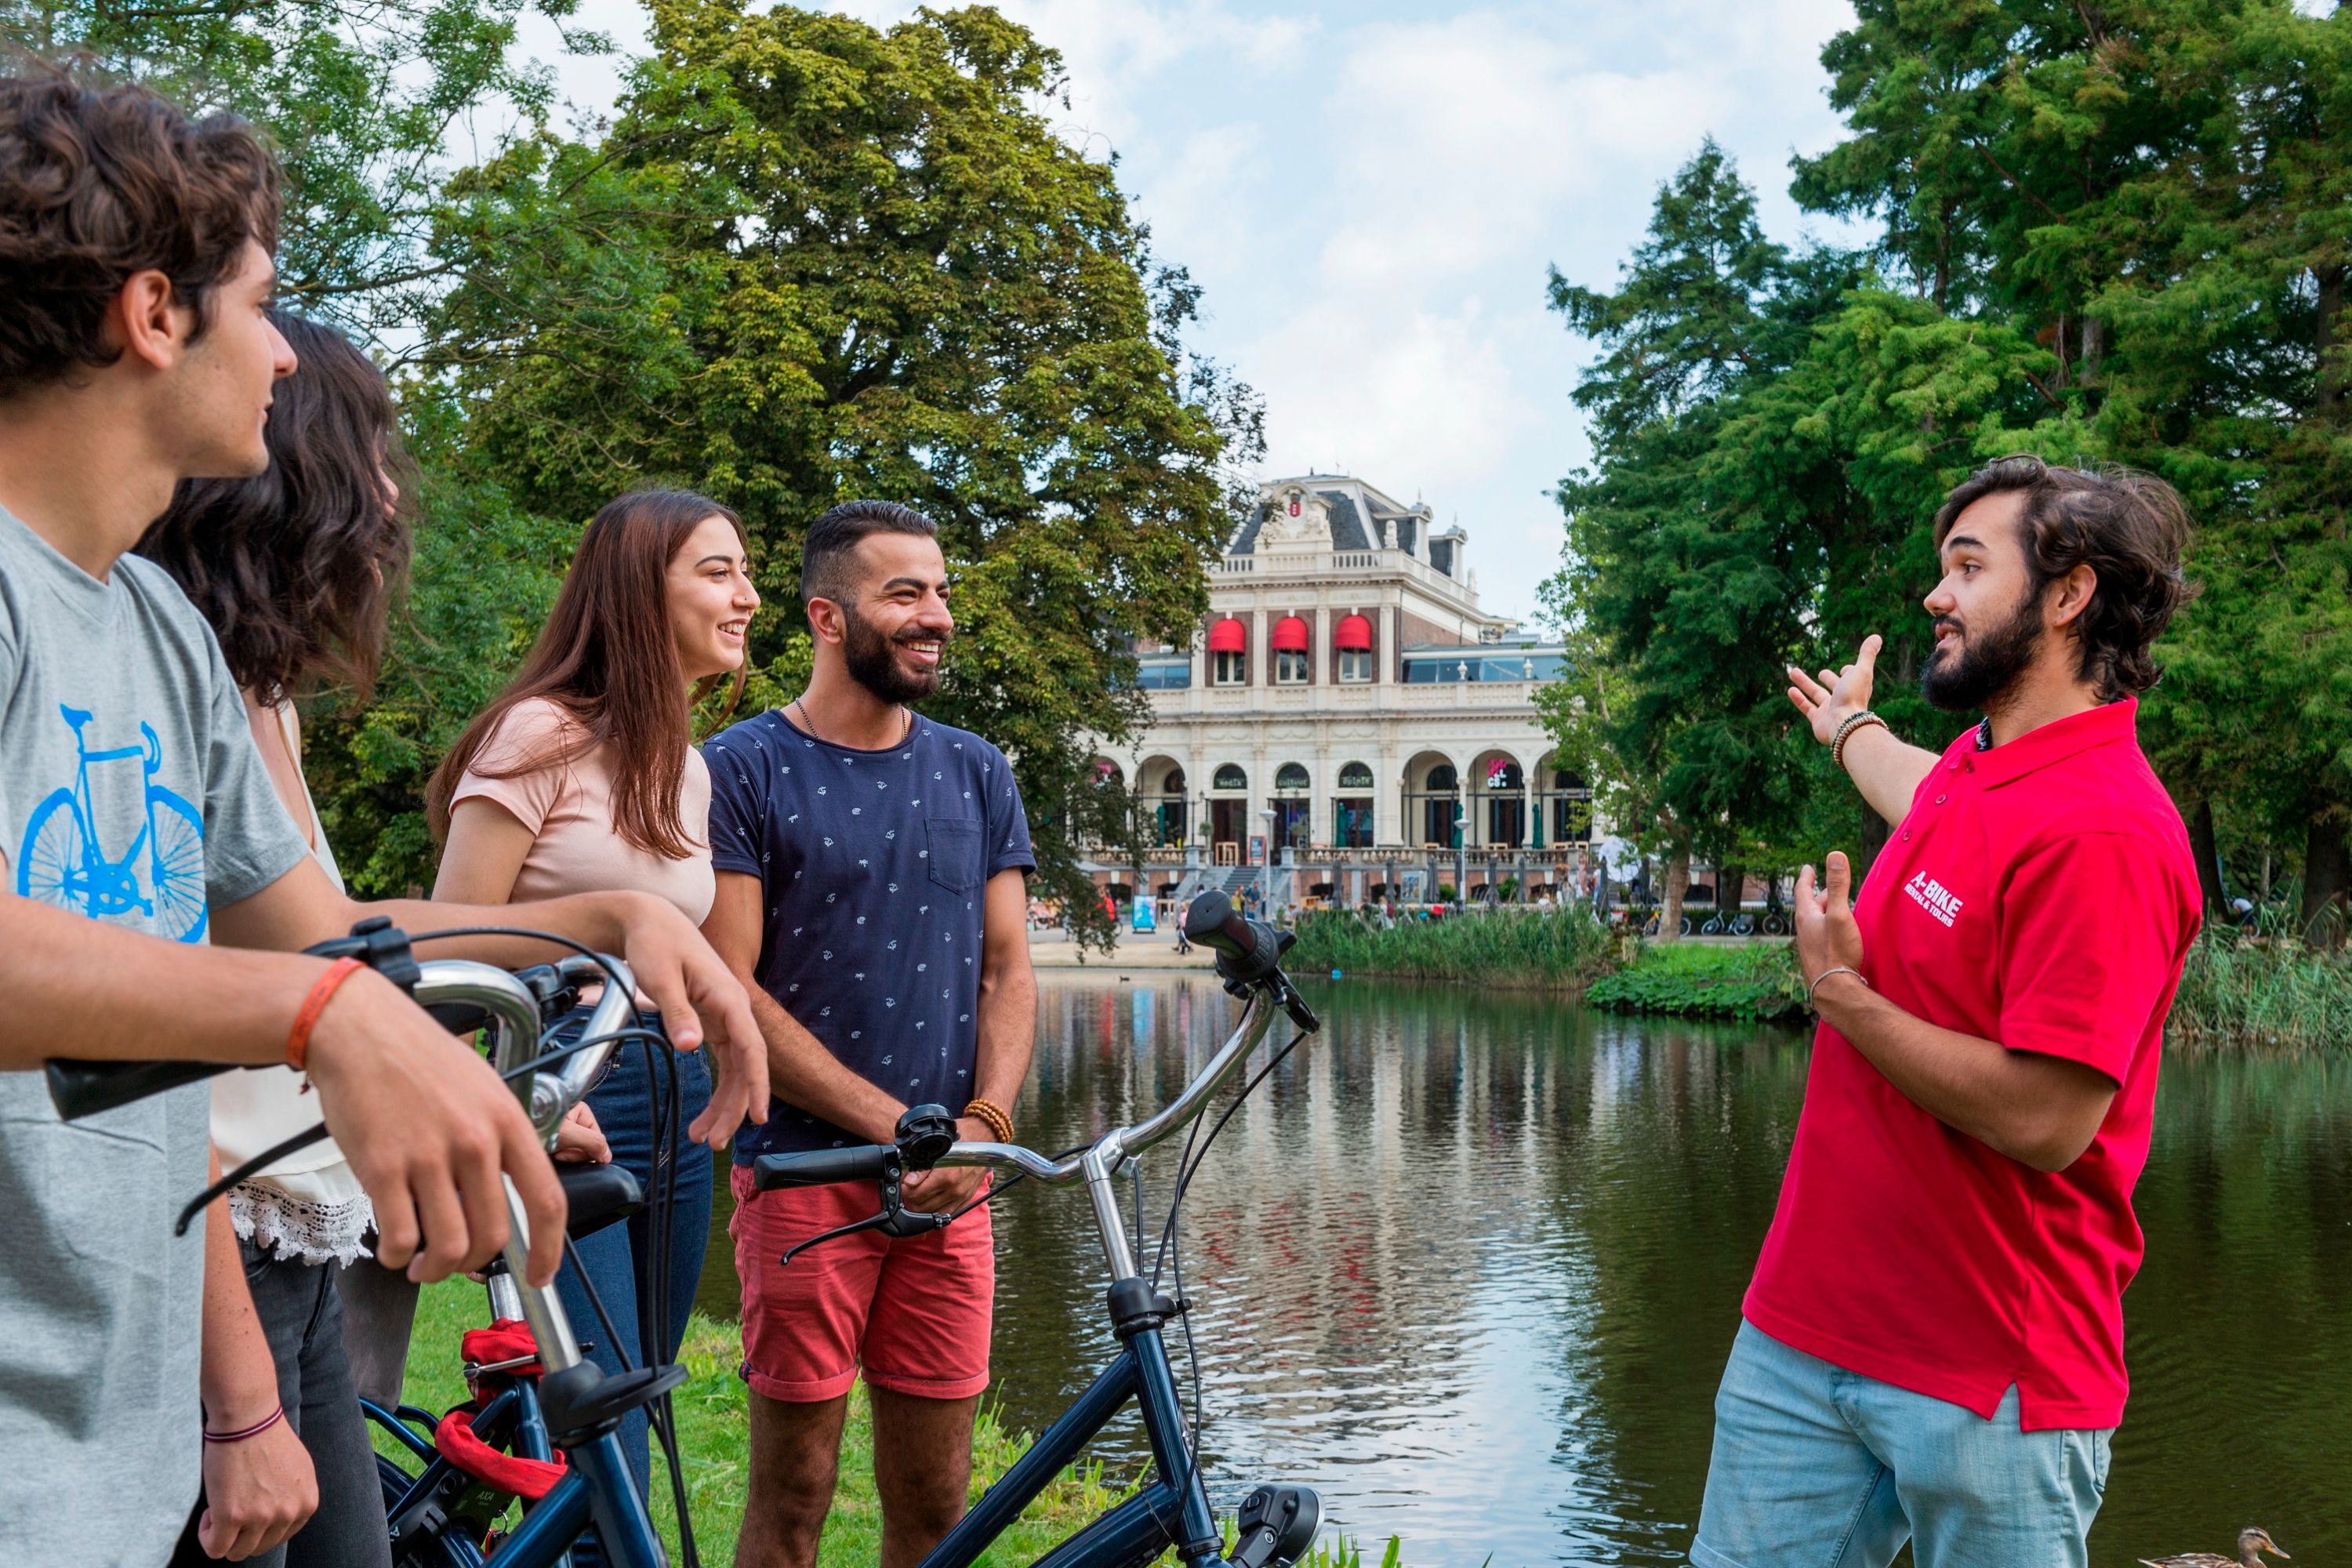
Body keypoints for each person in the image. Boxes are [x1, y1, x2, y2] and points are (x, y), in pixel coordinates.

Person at [0, 74, 767, 1565]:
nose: (287, 355)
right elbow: (316, 985)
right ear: (154, 314)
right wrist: (331, 1019)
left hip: (114, 1422)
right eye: (265, 304)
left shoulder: (157, 627)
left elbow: (326, 941)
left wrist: (597, 925)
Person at [1690, 456, 2201, 1568]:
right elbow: (1917, 786)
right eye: (1942, 567)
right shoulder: (1985, 769)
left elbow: (2046, 1119)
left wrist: (1841, 997)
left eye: (1970, 567)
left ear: (2067, 595)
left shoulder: (2108, 832)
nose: (1937, 594)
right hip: (1801, 1337)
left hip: (1991, 1387)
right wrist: (1847, 731)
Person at [702, 499, 1037, 1568]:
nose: (935, 615)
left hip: (951, 1189)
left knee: (940, 1512)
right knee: (793, 1498)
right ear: (828, 618)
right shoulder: (740, 769)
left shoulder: (977, 770)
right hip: (807, 1177)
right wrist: (901, 1127)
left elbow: (1008, 969)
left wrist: (982, 1123)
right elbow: (731, 985)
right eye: (906, 594)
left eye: (940, 592)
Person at [137, 308, 415, 1567]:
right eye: (376, 449)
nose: (396, 490)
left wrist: (591, 931)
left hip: (280, 1235)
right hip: (204, 1252)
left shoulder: (243, 693)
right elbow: (118, 1059)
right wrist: (236, 1395)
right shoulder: (135, 663)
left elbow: (326, 945)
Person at [429, 488, 760, 1538]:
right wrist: (521, 1085)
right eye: (717, 571)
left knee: (643, 1406)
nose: (747, 595)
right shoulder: (539, 735)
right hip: (566, 1082)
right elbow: (442, 941)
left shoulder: (692, 772)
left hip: (672, 1087)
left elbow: (681, 947)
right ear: (634, 588)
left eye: (745, 571)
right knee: (593, 1427)